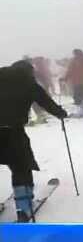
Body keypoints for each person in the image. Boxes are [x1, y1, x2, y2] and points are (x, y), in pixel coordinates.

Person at [0, 60, 67, 222]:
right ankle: (23, 208)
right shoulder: (28, 82)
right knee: (21, 166)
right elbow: (45, 102)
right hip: (13, 131)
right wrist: (60, 113)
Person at [63, 49, 83, 117]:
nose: (75, 55)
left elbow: (70, 71)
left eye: (75, 53)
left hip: (82, 82)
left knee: (81, 97)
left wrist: (65, 78)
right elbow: (70, 71)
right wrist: (65, 78)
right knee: (82, 97)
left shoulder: (82, 61)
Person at [30, 56, 55, 125]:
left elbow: (45, 78)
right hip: (40, 88)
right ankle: (43, 114)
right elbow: (45, 78)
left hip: (37, 89)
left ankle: (41, 115)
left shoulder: (38, 69)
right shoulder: (37, 70)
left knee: (35, 103)